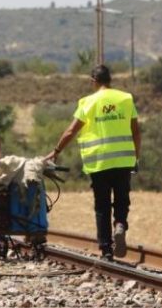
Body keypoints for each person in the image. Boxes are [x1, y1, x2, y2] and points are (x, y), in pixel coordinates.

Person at [44, 65, 141, 261]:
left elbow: (71, 131)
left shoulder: (87, 102)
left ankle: (106, 249)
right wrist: (135, 157)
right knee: (122, 199)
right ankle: (120, 224)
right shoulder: (125, 98)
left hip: (98, 162)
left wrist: (56, 152)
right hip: (123, 159)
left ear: (93, 81)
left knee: (102, 205)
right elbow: (136, 131)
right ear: (110, 80)